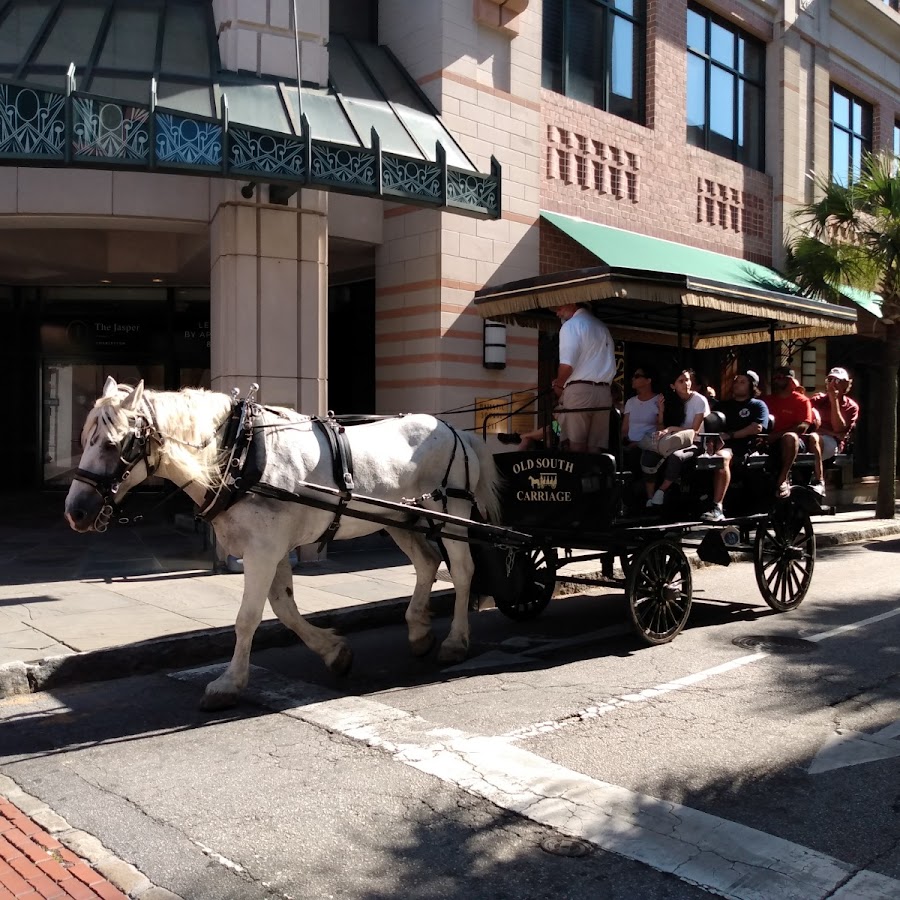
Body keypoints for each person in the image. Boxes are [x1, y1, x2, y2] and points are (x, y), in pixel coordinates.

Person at [700, 371, 770, 522]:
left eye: (742, 382)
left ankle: (717, 507)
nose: (737, 384)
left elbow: (756, 428)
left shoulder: (758, 405)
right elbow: (711, 426)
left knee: (721, 457)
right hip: (719, 445)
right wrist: (711, 442)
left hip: (743, 448)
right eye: (736, 381)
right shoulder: (723, 405)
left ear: (752, 386)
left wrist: (730, 435)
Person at [551, 303, 617, 453]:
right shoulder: (602, 327)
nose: (557, 313)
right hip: (604, 392)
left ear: (571, 303)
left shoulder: (571, 325)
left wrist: (559, 384)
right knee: (595, 446)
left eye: (558, 308)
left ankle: (577, 476)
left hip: (580, 391)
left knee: (575, 445)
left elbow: (567, 364)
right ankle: (594, 476)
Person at [646, 368, 711, 507]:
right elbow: (661, 429)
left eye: (687, 380)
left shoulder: (699, 400)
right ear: (672, 386)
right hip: (674, 441)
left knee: (676, 456)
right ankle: (648, 497)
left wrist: (671, 429)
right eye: (681, 381)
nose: (686, 383)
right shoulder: (672, 401)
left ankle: (661, 490)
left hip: (695, 442)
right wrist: (662, 412)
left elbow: (694, 431)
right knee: (650, 453)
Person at [761, 366, 815, 498]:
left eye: (779, 378)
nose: (775, 381)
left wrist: (776, 436)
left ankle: (783, 478)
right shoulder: (766, 401)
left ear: (790, 381)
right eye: (774, 378)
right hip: (768, 441)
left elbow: (803, 425)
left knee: (789, 437)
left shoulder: (802, 401)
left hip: (794, 443)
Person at [806, 366, 859, 489]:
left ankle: (819, 480)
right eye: (830, 380)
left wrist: (834, 400)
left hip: (832, 443)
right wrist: (828, 431)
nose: (832, 384)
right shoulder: (817, 400)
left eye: (837, 381)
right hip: (813, 438)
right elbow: (808, 423)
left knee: (814, 438)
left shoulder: (851, 407)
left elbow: (838, 429)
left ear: (845, 385)